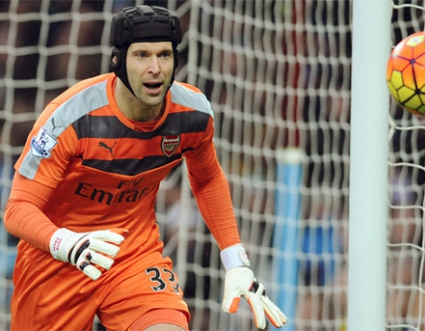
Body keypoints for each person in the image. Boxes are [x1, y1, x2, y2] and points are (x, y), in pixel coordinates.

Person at [3, 5, 287, 331]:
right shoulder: (71, 117)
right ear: (118, 61)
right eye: (142, 56)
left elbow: (207, 179)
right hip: (56, 260)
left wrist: (235, 260)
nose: (155, 68)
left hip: (132, 256)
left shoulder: (192, 114)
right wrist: (64, 243)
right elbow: (17, 209)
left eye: (164, 56)